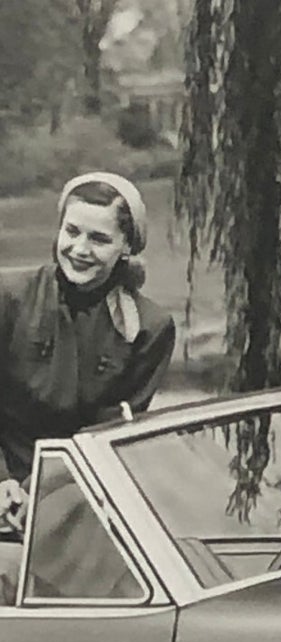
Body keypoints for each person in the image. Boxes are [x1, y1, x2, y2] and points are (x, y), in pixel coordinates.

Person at [0, 172, 176, 543]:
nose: (80, 249)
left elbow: (107, 434)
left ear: (127, 247)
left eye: (99, 239)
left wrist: (37, 492)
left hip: (78, 495)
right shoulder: (9, 298)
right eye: (72, 231)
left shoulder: (148, 328)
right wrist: (3, 483)